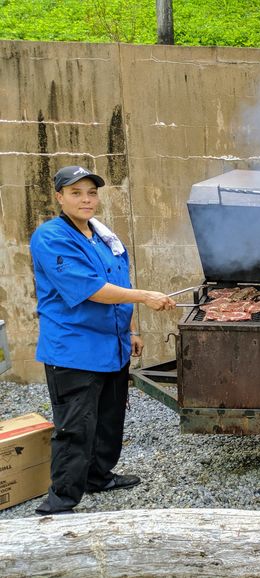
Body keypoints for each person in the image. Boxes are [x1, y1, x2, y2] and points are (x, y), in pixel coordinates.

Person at [30, 166, 176, 515]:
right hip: (75, 349)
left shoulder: (103, 235)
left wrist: (131, 329)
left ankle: (98, 476)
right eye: (76, 192)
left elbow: (119, 281)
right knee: (75, 426)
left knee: (109, 420)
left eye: (91, 193)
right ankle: (61, 501)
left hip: (113, 346)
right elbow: (90, 289)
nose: (86, 199)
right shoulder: (52, 238)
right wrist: (144, 296)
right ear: (59, 197)